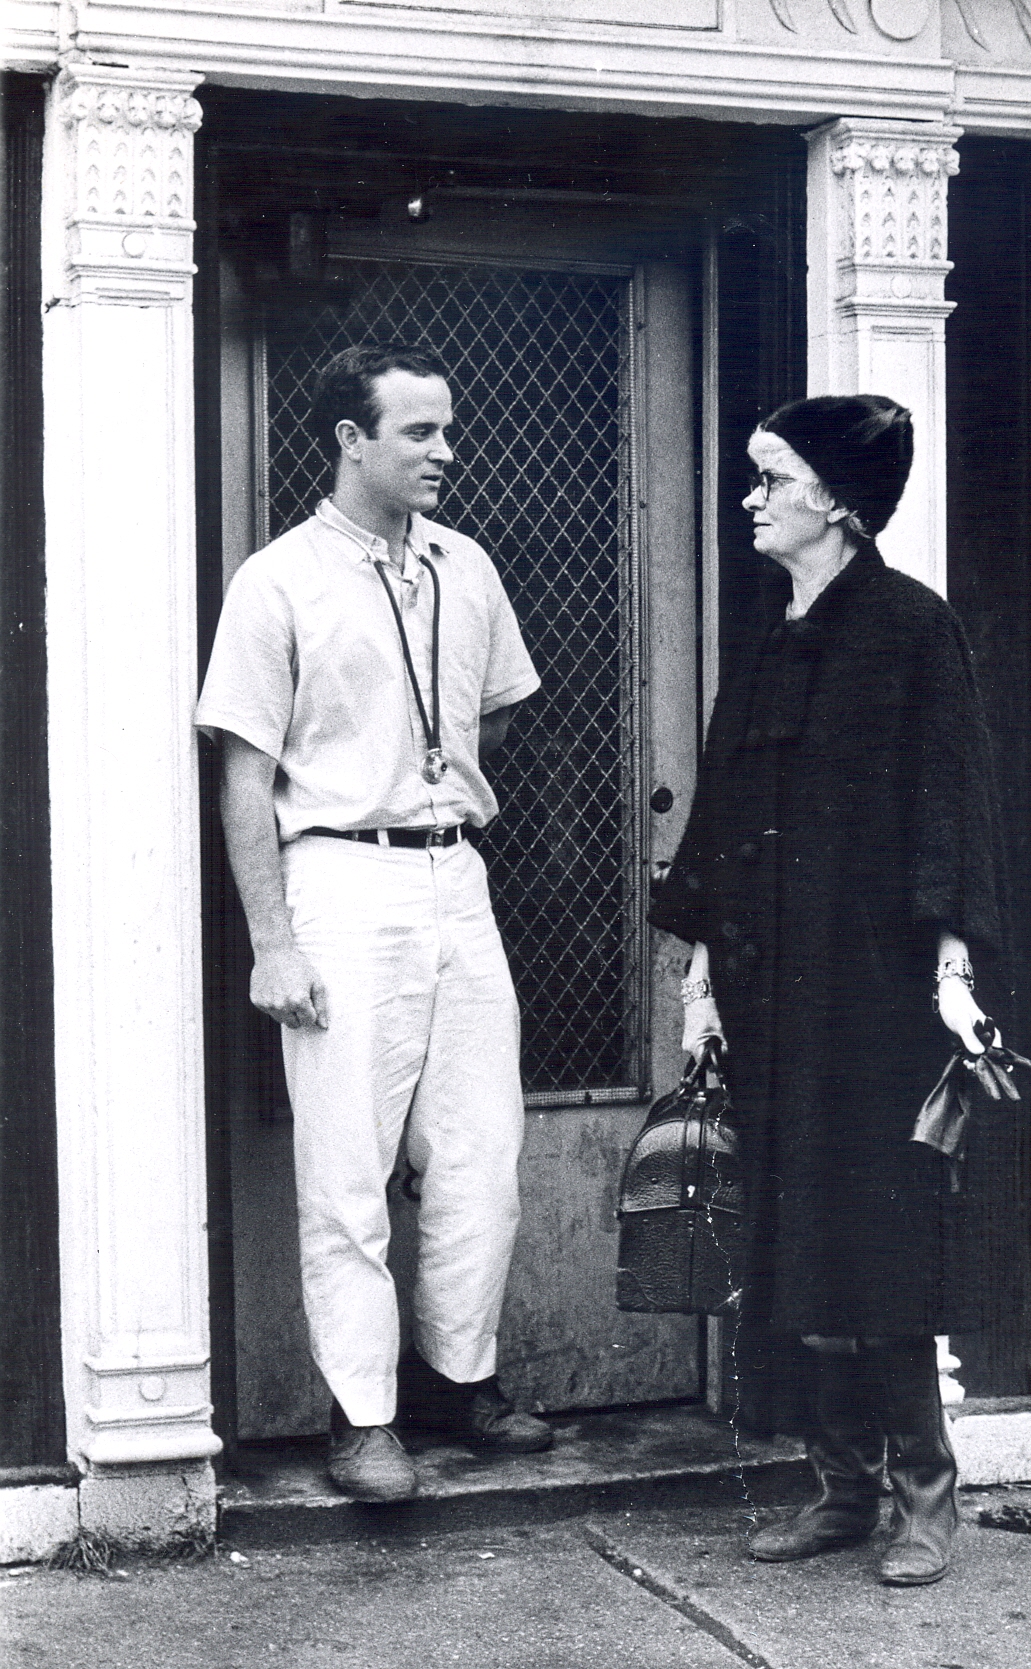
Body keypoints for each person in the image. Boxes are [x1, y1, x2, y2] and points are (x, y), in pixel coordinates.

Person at [648, 394, 1004, 1587]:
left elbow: (952, 810)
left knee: (876, 1239)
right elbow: (722, 816)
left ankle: (924, 1496)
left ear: (838, 503)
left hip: (873, 997)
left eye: (772, 478)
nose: (751, 497)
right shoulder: (772, 631)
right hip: (767, 994)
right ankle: (840, 1487)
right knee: (792, 1238)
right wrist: (700, 969)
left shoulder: (912, 629)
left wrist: (953, 971)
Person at [195, 343, 552, 1503]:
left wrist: (432, 801)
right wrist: (275, 941)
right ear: (351, 439)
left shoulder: (467, 565)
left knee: (482, 1156)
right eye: (418, 433)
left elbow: (494, 722)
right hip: (339, 884)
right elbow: (245, 777)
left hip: (457, 877)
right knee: (345, 1167)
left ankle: (461, 1375)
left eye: (447, 429)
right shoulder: (277, 581)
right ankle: (363, 1420)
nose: (446, 452)